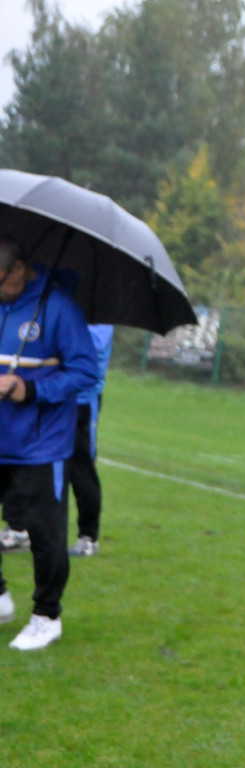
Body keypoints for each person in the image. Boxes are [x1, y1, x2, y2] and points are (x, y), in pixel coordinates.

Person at [0, 233, 99, 650]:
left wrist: (30, 390)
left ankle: (46, 615)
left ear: (21, 269)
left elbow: (86, 373)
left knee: (44, 533)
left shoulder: (58, 308)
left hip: (40, 445)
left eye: (2, 279)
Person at [68, 323, 114, 557]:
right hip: (52, 397)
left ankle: (88, 537)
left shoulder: (99, 316)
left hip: (83, 401)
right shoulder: (67, 305)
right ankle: (20, 527)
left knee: (81, 468)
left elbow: (92, 346)